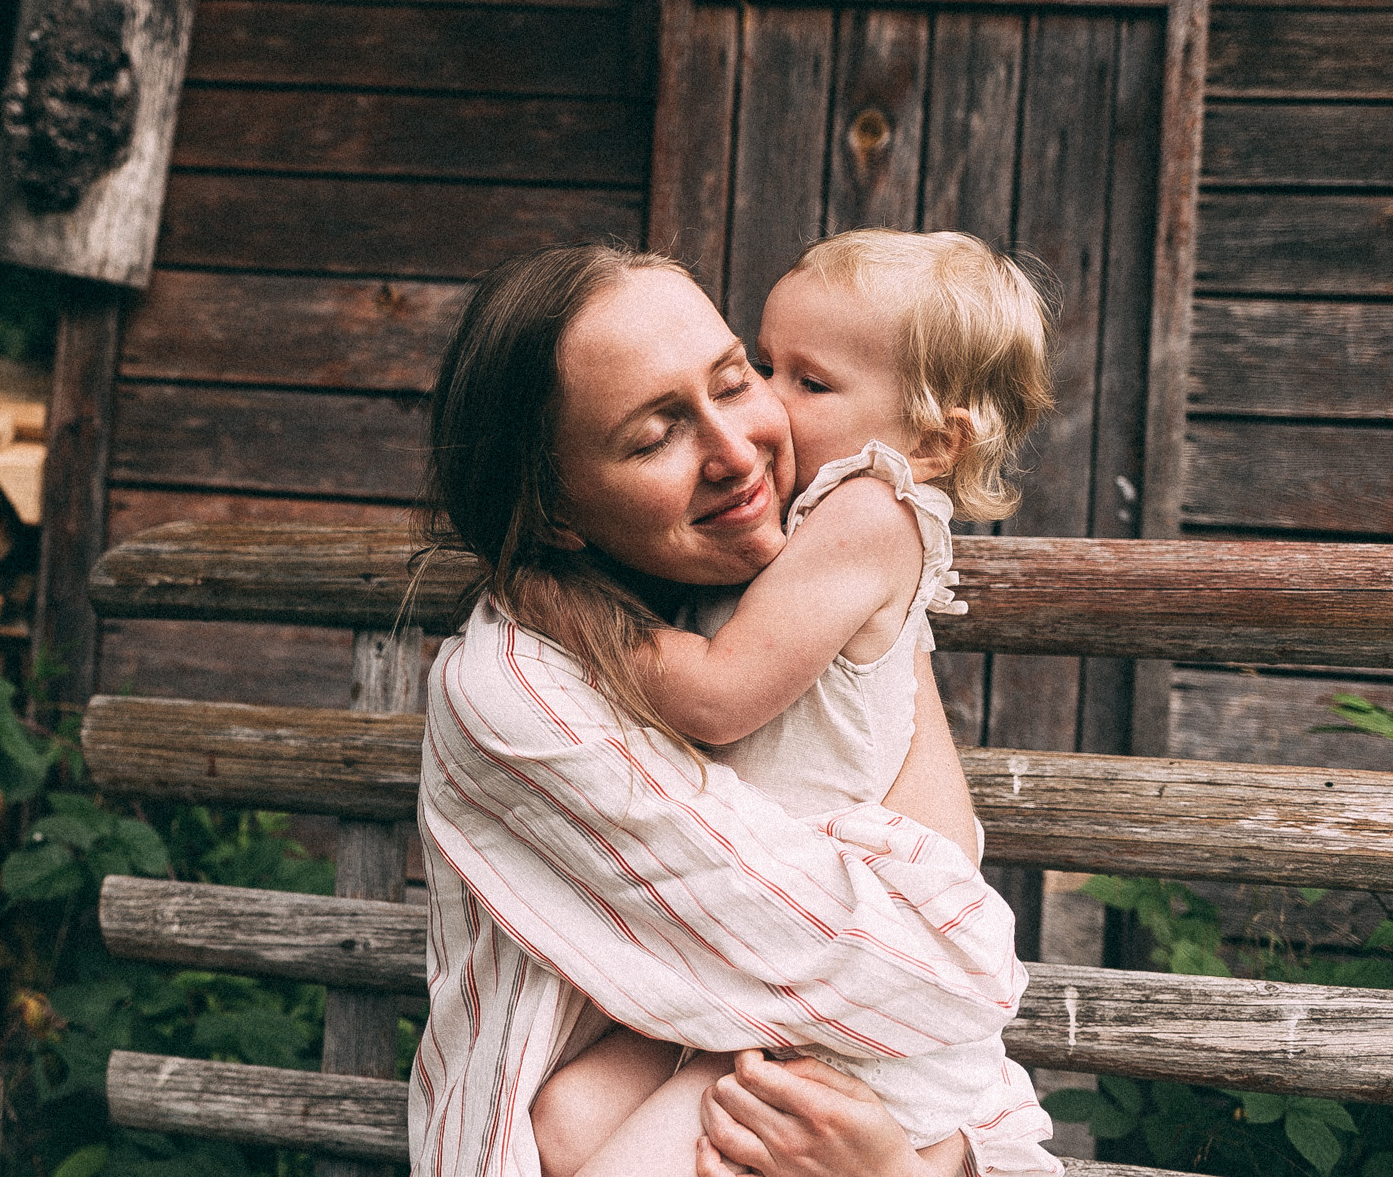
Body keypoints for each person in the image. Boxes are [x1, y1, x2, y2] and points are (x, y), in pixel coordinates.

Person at [410, 243, 1030, 1177]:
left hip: (815, 1041)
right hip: (772, 1027)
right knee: (572, 1122)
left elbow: (955, 988)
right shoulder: (516, 688)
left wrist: (907, 1169)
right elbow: (938, 970)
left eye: (740, 380)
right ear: (554, 512)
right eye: (655, 436)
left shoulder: (839, 546)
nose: (742, 448)